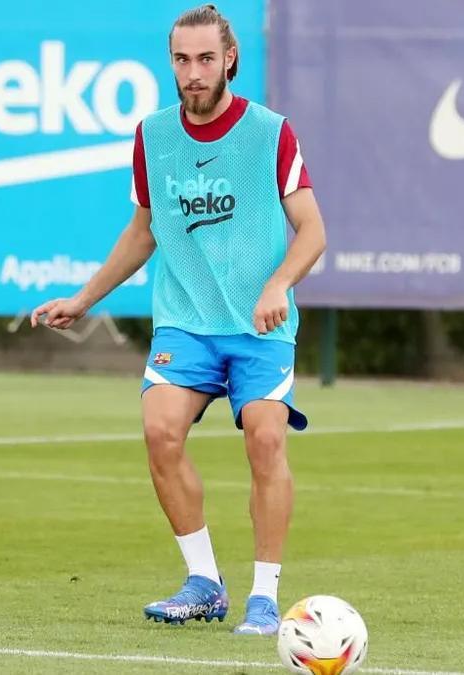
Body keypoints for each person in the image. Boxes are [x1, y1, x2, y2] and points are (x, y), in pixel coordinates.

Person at [31, 3, 325, 636]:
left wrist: (278, 283)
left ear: (230, 60)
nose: (193, 73)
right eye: (183, 60)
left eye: (206, 60)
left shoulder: (271, 133)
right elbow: (144, 232)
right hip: (185, 321)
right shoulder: (153, 135)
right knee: (160, 431)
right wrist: (83, 299)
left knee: (266, 439)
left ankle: (264, 597)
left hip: (258, 324)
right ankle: (204, 583)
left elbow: (313, 231)